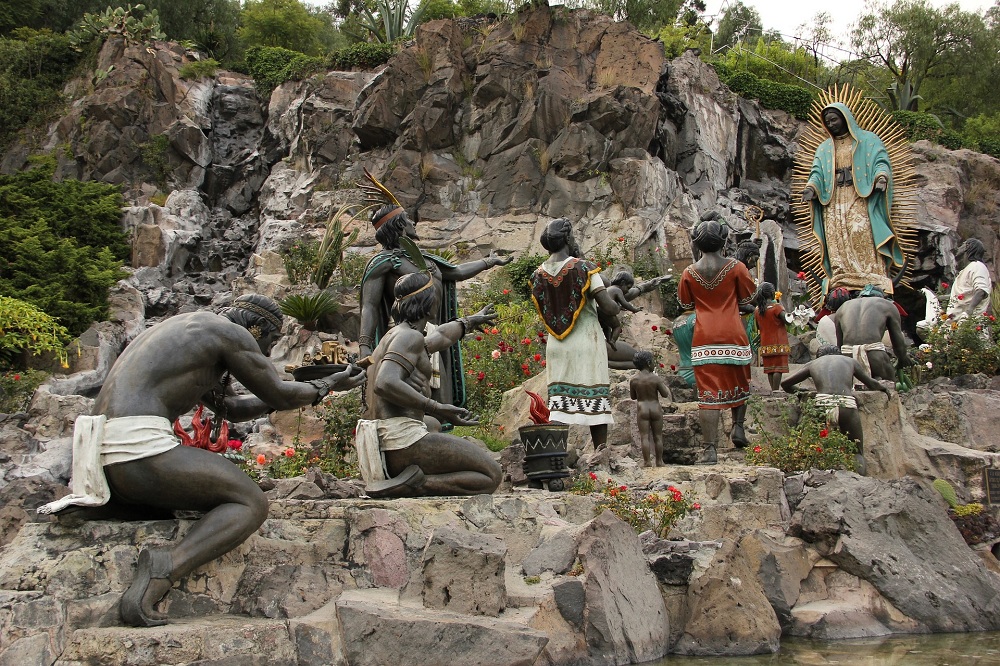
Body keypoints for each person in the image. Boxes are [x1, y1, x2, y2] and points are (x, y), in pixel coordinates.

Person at [37, 295, 366, 627]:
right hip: (137, 450)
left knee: (185, 503)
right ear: (255, 327)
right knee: (250, 503)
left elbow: (236, 408)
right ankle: (165, 567)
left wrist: (294, 393)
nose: (266, 351)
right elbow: (278, 393)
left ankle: (113, 506)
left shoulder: (186, 332)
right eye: (269, 340)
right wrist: (327, 384)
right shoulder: (229, 334)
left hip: (101, 457)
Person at [357, 272, 502, 497]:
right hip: (401, 444)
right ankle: (415, 484)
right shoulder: (408, 338)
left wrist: (469, 322)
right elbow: (385, 382)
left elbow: (441, 338)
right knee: (491, 475)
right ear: (428, 302)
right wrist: (437, 407)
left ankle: (406, 476)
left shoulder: (397, 336)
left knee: (432, 424)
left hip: (385, 442)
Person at [358, 204, 511, 408]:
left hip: (435, 333)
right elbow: (369, 305)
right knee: (412, 393)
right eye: (408, 218)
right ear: (400, 226)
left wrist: (488, 262)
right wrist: (364, 347)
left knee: (439, 393)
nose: (413, 222)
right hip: (403, 337)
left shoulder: (425, 259)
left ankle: (436, 432)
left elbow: (456, 272)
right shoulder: (383, 262)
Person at [530, 218, 620, 449]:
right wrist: (618, 305)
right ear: (568, 238)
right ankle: (601, 453)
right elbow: (608, 307)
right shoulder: (585, 268)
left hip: (557, 346)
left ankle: (557, 453)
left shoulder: (538, 274)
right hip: (586, 339)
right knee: (595, 400)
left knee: (559, 402)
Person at [801, 102, 904, 299]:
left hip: (859, 196)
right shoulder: (824, 149)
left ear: (845, 117)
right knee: (836, 237)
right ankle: (842, 275)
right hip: (833, 201)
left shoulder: (868, 140)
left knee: (860, 231)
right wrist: (811, 188)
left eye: (835, 119)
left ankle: (870, 274)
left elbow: (880, 161)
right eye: (828, 122)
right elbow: (817, 172)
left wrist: (881, 177)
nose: (831, 124)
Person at [677, 220, 756, 463]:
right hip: (733, 332)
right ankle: (738, 427)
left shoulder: (689, 272)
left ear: (698, 243)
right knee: (740, 381)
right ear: (723, 242)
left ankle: (710, 449)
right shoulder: (736, 267)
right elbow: (749, 296)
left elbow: (686, 304)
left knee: (708, 393)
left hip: (704, 335)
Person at [781, 344, 894, 475]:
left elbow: (785, 384)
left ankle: (814, 481)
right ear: (838, 353)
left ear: (819, 356)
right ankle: (861, 482)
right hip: (847, 405)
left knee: (812, 448)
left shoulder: (814, 363)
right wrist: (884, 389)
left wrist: (801, 392)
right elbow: (871, 383)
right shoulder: (850, 361)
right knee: (857, 452)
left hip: (821, 404)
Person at [833, 286, 912, 381]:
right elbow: (898, 344)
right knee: (890, 383)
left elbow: (840, 345)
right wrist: (902, 359)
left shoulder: (842, 307)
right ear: (882, 297)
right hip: (874, 357)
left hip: (848, 359)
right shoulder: (887, 305)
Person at [599, 268, 670, 349]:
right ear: (622, 283)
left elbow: (615, 303)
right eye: (628, 288)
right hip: (606, 311)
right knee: (616, 326)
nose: (627, 291)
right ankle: (612, 341)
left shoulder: (609, 288)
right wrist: (634, 309)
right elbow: (625, 303)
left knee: (606, 326)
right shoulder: (617, 290)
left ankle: (608, 340)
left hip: (599, 311)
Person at [629, 350, 671, 467]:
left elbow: (633, 397)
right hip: (655, 408)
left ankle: (647, 461)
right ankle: (659, 461)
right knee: (658, 436)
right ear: (648, 363)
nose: (654, 364)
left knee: (644, 436)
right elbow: (665, 394)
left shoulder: (634, 379)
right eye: (653, 362)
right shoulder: (656, 379)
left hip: (642, 409)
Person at [753, 282, 792, 392]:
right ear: (772, 293)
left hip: (765, 342)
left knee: (770, 368)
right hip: (778, 341)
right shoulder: (777, 308)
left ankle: (772, 389)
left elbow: (757, 326)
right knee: (777, 368)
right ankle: (776, 390)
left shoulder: (757, 310)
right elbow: (787, 320)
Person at [946, 238, 992, 321]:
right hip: (954, 321)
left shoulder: (978, 266)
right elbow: (962, 295)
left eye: (963, 244)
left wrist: (969, 311)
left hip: (968, 322)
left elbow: (981, 290)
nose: (959, 247)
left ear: (967, 247)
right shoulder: (965, 270)